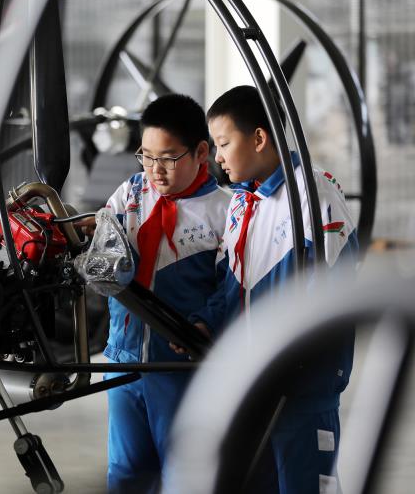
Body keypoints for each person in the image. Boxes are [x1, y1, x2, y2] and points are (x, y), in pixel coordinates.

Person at [194, 85, 359, 493]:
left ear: (259, 138)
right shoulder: (241, 202)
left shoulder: (315, 197)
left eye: (223, 144)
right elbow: (229, 284)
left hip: (303, 390)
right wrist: (205, 323)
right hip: (253, 384)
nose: (217, 157)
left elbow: (336, 295)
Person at [81, 94, 231, 493]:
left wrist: (204, 325)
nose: (155, 171)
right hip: (124, 360)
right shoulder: (130, 193)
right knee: (126, 471)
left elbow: (230, 289)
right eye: (146, 157)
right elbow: (103, 253)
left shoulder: (223, 211)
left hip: (180, 366)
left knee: (182, 474)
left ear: (201, 152)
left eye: (168, 158)